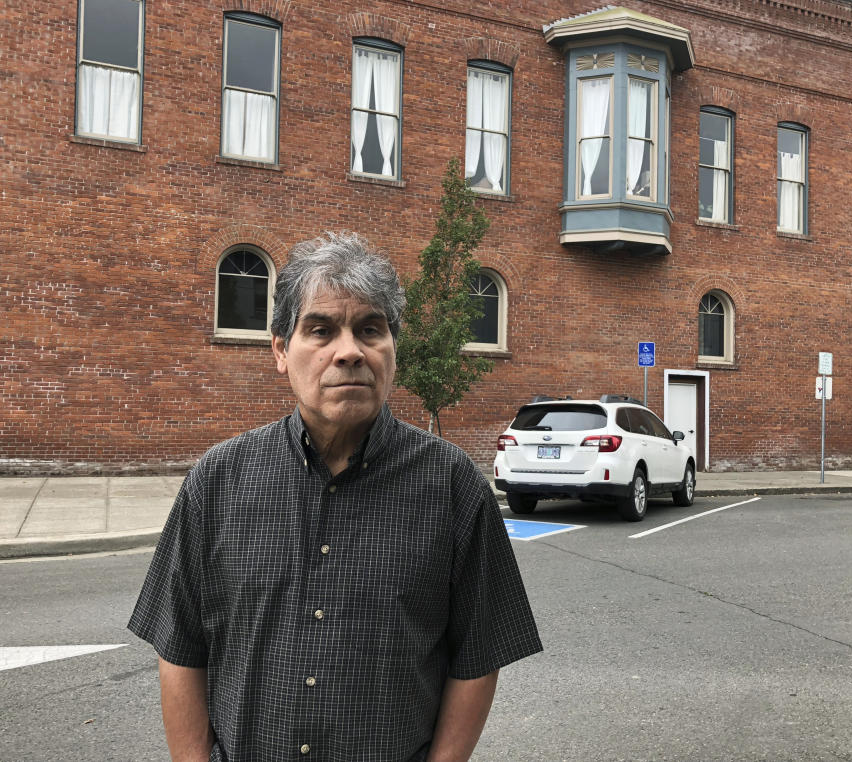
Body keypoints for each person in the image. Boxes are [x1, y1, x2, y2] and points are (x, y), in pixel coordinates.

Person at [128, 232, 542, 762]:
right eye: (321, 330)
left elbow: (479, 655)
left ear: (393, 348)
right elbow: (179, 646)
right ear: (280, 350)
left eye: (370, 329)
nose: (349, 351)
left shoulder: (453, 486)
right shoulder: (218, 481)